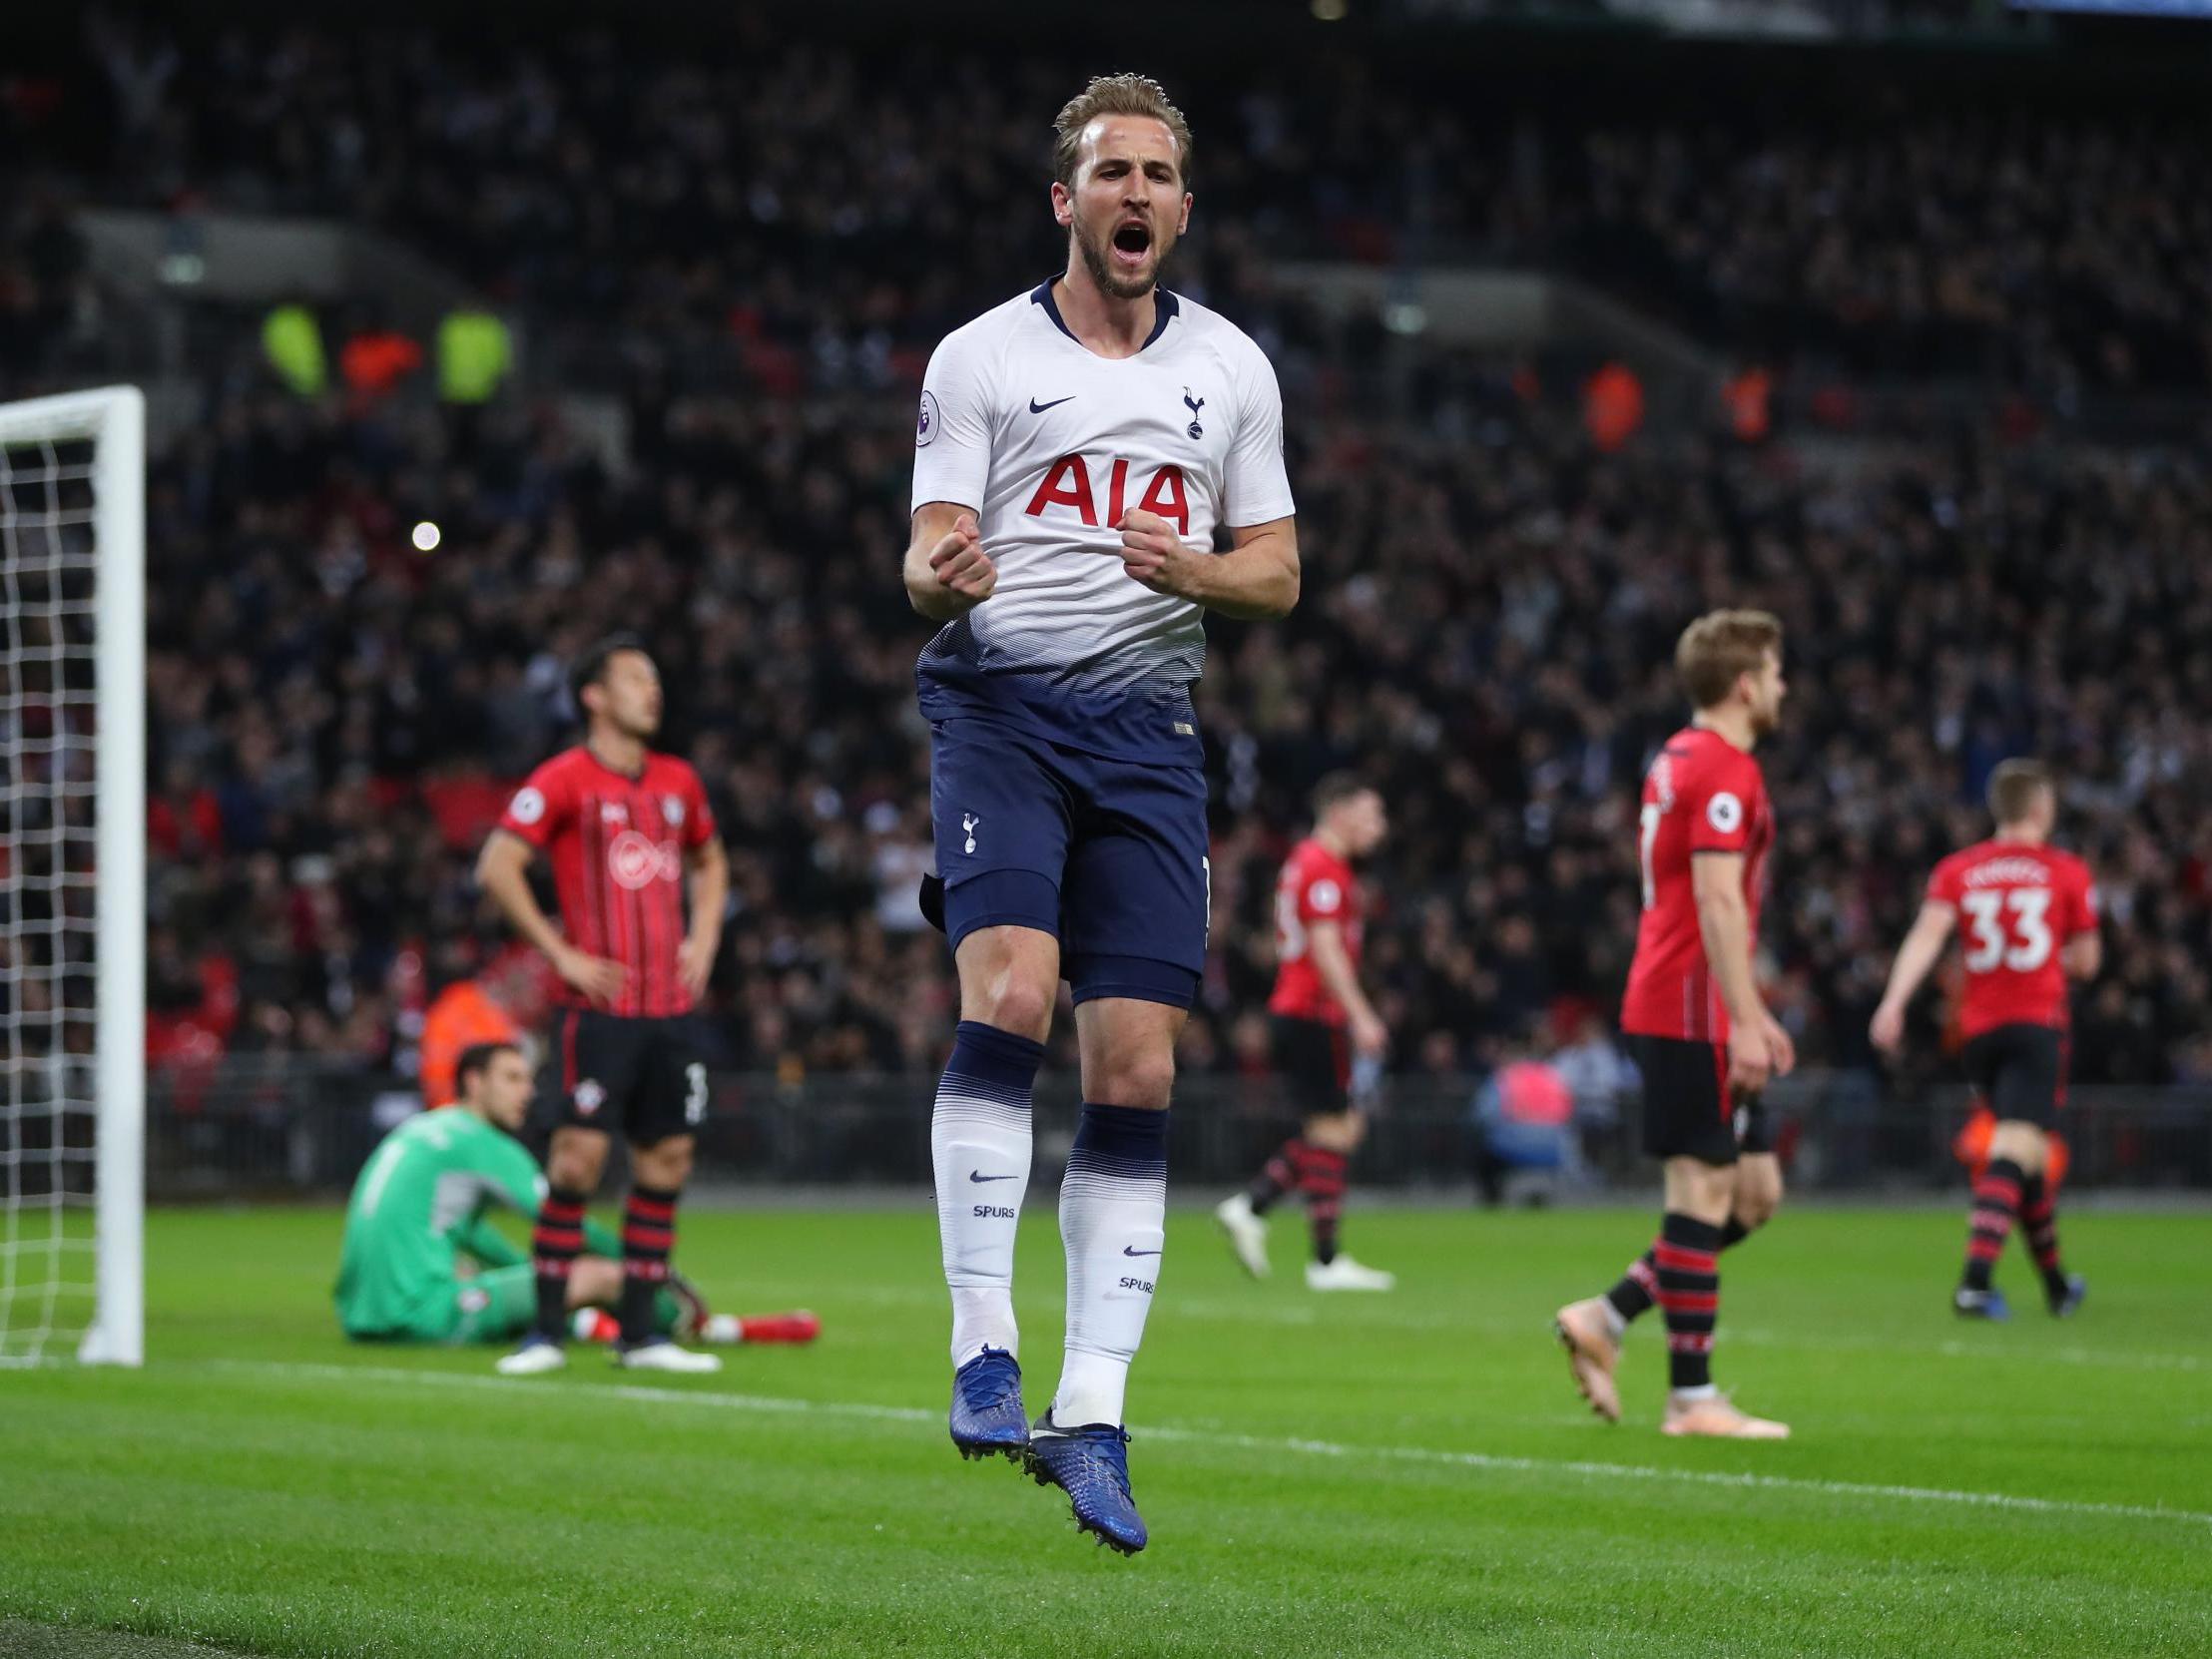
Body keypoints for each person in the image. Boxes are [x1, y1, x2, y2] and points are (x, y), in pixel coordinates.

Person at [902, 72, 1299, 1553]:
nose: (1135, 194)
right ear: (1064, 201)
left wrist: (1193, 572)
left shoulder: (1233, 373)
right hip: (1002, 708)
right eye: (1108, 172)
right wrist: (943, 572)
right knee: (1013, 983)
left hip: (1147, 732)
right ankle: (983, 1349)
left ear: (1183, 208)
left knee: (1136, 1069)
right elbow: (927, 544)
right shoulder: (982, 358)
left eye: (1158, 175)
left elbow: (1279, 570)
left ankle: (1095, 1412)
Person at [1552, 610, 1795, 1439]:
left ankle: (1609, 1316)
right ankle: (1693, 1398)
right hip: (1690, 1004)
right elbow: (1718, 899)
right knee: (1703, 1189)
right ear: (1744, 683)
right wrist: (1749, 1017)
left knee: (1754, 1194)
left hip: (1693, 997)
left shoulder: (1677, 758)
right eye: (1775, 671)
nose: (1783, 686)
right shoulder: (1725, 768)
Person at [475, 634, 731, 1376]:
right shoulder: (563, 779)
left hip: (669, 1008)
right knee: (578, 1159)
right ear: (594, 695)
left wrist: (705, 936)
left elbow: (712, 859)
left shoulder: (679, 781)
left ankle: (642, 1336)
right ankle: (546, 1334)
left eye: (654, 678)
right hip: (599, 1011)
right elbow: (498, 862)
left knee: (667, 1159)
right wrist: (559, 955)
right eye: (634, 678)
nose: (653, 691)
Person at [335, 1043, 816, 1350]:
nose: (526, 1093)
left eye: (528, 1080)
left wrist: (526, 1274)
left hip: (362, 1313)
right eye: (512, 1078)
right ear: (473, 1083)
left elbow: (468, 1232)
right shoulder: (478, 1140)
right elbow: (564, 1222)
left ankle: (584, 1324)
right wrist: (647, 1265)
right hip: (420, 1314)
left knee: (489, 1270)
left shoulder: (426, 1129)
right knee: (599, 1276)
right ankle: (675, 1322)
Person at [1869, 759, 2099, 1320]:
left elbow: (1926, 938)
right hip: (2036, 1026)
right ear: (2042, 809)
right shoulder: (2066, 871)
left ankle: (2057, 1286)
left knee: (2028, 1158)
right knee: (2013, 1150)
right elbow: (2089, 962)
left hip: (1978, 1033)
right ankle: (1974, 1283)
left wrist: (1893, 1002)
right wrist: (2050, 958)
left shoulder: (1959, 869)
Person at [1215, 775, 1394, 1289]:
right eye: (1371, 815)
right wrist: (1360, 1013)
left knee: (1337, 1129)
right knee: (1334, 1131)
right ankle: (1318, 1255)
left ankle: (1260, 1213)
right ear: (1339, 813)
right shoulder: (1322, 865)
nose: (1378, 828)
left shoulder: (1307, 862)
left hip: (1302, 1009)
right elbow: (1325, 947)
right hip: (1314, 1011)